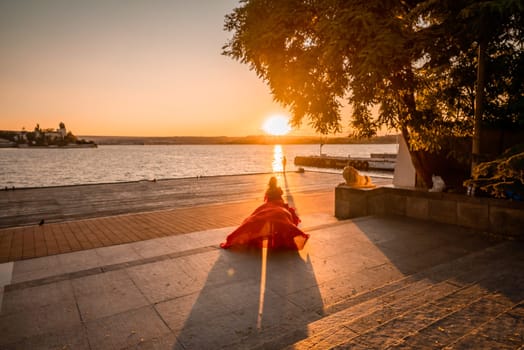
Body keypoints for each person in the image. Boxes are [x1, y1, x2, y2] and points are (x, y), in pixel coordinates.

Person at [220, 176, 309, 250]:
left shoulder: (268, 191)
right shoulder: (278, 190)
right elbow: (281, 198)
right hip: (278, 206)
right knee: (285, 219)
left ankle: (233, 238)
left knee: (252, 220)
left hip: (269, 207)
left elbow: (266, 201)